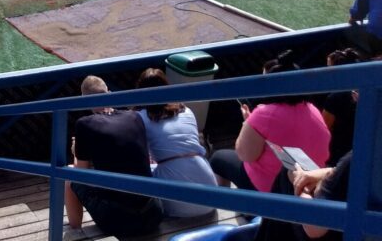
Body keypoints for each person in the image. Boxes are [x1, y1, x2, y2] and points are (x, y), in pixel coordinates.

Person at [210, 50, 330, 193]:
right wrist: (253, 123)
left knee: (218, 158)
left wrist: (247, 123)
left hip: (275, 187)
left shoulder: (263, 114)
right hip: (309, 183)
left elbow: (245, 155)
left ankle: (241, 204)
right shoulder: (312, 109)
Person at [65, 75, 163, 238]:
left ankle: (75, 232)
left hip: (119, 221)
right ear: (109, 93)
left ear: (83, 100)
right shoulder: (134, 117)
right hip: (153, 214)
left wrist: (76, 152)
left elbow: (81, 175)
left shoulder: (85, 124)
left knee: (69, 177)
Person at [135, 68, 218, 217]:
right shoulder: (186, 110)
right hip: (210, 196)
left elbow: (139, 157)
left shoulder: (140, 117)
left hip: (181, 206)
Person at [320, 47, 361, 167]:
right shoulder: (364, 91)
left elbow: (324, 129)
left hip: (338, 158)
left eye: (329, 68)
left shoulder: (336, 97)